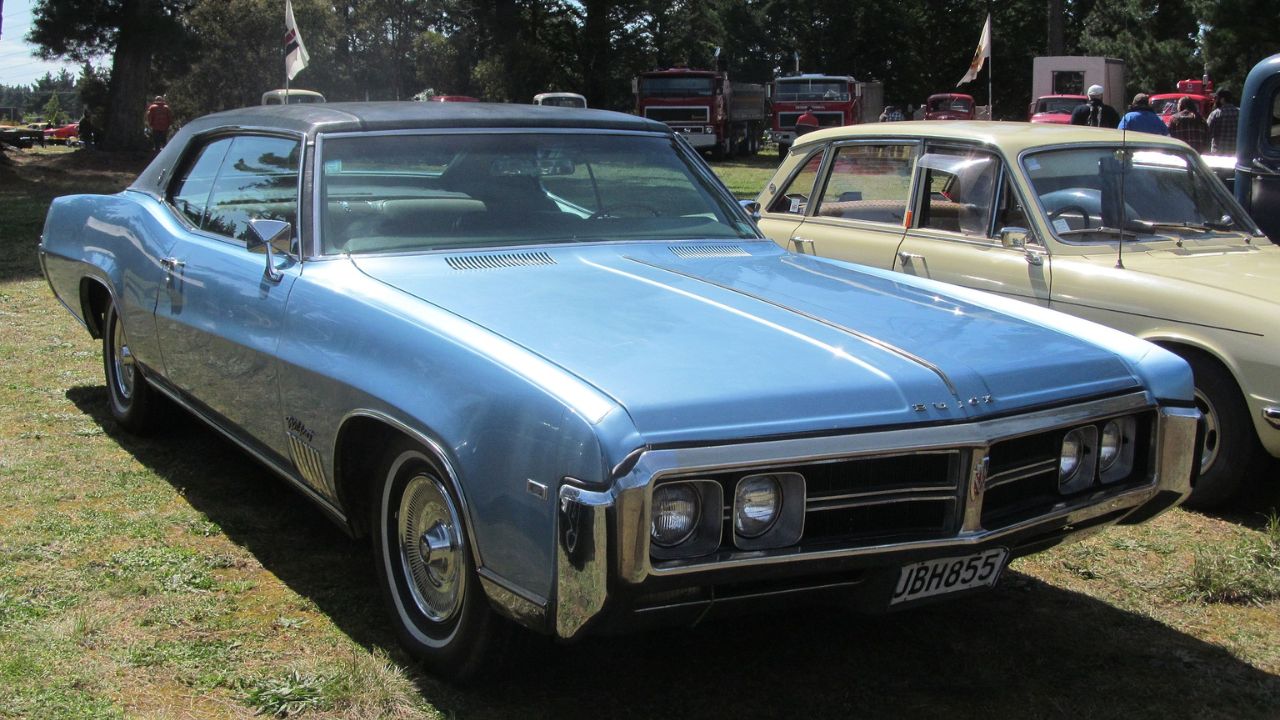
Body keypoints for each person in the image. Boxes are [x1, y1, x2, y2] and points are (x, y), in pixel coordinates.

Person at [1206, 88, 1239, 155]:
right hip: (1235, 153)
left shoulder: (1215, 114)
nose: (1214, 101)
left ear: (1222, 100)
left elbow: (1207, 134)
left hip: (1218, 153)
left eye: (1216, 98)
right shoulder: (1240, 113)